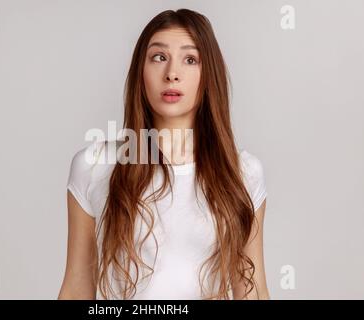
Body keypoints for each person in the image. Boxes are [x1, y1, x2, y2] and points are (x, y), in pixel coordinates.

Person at [58, 8, 270, 300]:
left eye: (190, 59)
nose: (172, 74)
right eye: (159, 57)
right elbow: (76, 286)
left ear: (209, 75)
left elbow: (251, 288)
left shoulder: (243, 172)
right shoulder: (94, 166)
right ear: (140, 71)